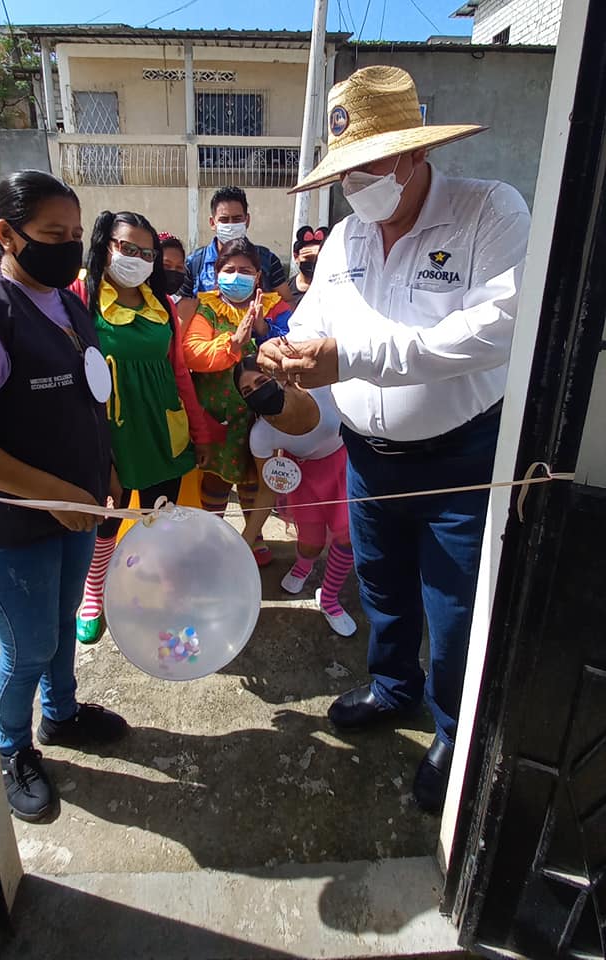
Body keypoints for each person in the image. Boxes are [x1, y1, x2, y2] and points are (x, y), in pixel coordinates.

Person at [258, 65, 531, 813]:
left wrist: (351, 358)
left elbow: (495, 330)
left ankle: (453, 731)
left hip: (459, 459)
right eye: (344, 172)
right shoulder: (346, 237)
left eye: (369, 166)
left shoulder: (488, 211)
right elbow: (313, 319)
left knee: (454, 609)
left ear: (414, 153)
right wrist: (287, 347)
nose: (354, 185)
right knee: (380, 583)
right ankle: (391, 686)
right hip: (367, 459)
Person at [0, 170, 128, 823]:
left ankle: (61, 714)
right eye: (52, 234)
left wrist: (103, 471)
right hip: (7, 528)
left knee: (62, 623)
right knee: (27, 645)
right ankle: (11, 749)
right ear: (6, 234)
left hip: (72, 509)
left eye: (75, 235)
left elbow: (86, 401)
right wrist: (51, 494)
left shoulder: (67, 303)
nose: (68, 247)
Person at [72, 211, 223, 644]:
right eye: (127, 248)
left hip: (163, 426)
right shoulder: (80, 295)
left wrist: (200, 432)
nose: (137, 259)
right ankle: (94, 592)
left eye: (147, 253)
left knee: (161, 514)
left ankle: (163, 584)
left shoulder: (162, 306)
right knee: (108, 517)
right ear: (105, 246)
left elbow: (179, 373)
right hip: (110, 431)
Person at [182, 237, 292, 566]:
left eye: (245, 270)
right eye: (229, 269)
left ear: (258, 276)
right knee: (216, 479)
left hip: (263, 416)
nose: (236, 276)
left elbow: (293, 345)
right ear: (217, 275)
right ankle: (211, 534)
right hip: (219, 414)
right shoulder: (206, 308)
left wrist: (262, 328)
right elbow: (193, 353)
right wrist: (233, 342)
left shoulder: (275, 306)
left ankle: (253, 535)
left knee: (255, 478)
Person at [234, 355, 356, 636]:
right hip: (305, 480)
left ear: (278, 377)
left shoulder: (319, 387)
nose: (257, 392)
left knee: (347, 535)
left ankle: (329, 597)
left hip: (343, 467)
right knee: (310, 541)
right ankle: (303, 567)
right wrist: (245, 540)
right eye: (248, 391)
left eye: (261, 381)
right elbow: (266, 490)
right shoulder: (261, 435)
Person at [176, 185, 293, 324]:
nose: (231, 225)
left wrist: (267, 327)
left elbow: (288, 302)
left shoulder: (267, 260)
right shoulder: (195, 262)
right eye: (224, 220)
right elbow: (182, 307)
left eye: (237, 219)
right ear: (212, 223)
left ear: (247, 221)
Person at [288, 225, 330, 308]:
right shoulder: (286, 290)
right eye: (308, 257)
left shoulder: (333, 285)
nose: (313, 262)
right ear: (296, 257)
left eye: (317, 258)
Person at [158, 232, 188, 302]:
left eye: (179, 267)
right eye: (166, 265)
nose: (173, 271)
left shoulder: (183, 304)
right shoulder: (136, 301)